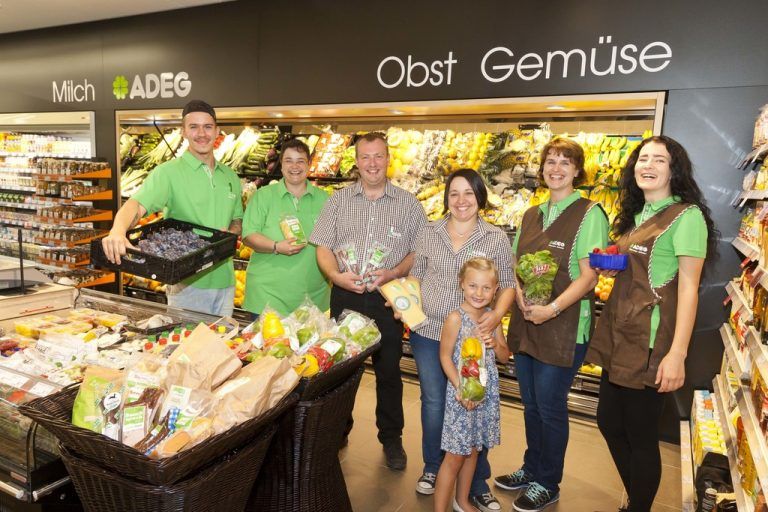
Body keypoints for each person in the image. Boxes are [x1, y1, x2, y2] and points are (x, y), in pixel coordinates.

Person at [586, 135, 717, 512]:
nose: (648, 165)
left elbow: (689, 289)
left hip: (651, 342)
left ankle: (638, 506)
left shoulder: (687, 217)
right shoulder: (639, 214)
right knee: (609, 423)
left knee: (641, 435)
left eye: (659, 160)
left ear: (674, 170)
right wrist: (611, 259)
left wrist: (677, 355)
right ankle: (637, 498)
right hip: (620, 332)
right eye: (643, 158)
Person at [493, 138, 609, 512]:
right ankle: (531, 468)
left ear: (578, 170)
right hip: (528, 322)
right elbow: (514, 263)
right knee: (530, 404)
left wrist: (553, 308)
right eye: (550, 162)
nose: (555, 169)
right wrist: (522, 298)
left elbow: (590, 277)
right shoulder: (531, 214)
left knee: (550, 406)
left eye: (565, 162)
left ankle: (548, 482)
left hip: (564, 325)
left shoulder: (590, 214)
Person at [310, 132, 427, 470]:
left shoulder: (409, 204)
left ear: (388, 159)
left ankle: (391, 438)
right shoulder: (338, 201)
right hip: (346, 295)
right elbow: (322, 246)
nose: (372, 164)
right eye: (365, 157)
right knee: (342, 370)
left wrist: (393, 272)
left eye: (378, 156)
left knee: (389, 371)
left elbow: (418, 252)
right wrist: (335, 276)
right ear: (356, 162)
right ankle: (338, 429)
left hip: (388, 298)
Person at [409, 168, 515, 512]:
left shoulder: (495, 238)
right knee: (435, 404)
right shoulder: (429, 231)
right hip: (430, 330)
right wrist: (406, 306)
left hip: (474, 334)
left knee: (476, 405)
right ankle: (433, 467)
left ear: (480, 197)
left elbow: (508, 284)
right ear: (446, 198)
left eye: (469, 193)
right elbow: (417, 274)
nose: (461, 200)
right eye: (454, 193)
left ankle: (476, 483)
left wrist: (494, 319)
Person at [101, 100, 242, 317]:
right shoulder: (168, 173)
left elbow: (237, 220)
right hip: (187, 285)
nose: (201, 133)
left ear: (216, 130)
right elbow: (136, 205)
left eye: (207, 126)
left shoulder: (230, 176)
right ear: (183, 131)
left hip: (226, 282)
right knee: (185, 348)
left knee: (222, 347)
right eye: (193, 127)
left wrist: (229, 234)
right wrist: (117, 231)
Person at [433, 258, 510, 512]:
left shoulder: (492, 318)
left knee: (474, 450)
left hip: (484, 396)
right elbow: (445, 356)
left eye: (486, 288)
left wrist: (494, 343)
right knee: (454, 457)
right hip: (461, 397)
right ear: (462, 285)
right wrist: (460, 387)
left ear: (496, 289)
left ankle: (462, 500)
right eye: (473, 286)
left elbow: (504, 356)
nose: (479, 293)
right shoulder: (455, 318)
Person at [240, 138, 330, 317]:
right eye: (288, 160)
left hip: (313, 298)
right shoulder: (263, 196)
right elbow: (249, 235)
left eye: (300, 161)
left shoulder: (325, 200)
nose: (294, 166)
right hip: (267, 297)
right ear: (281, 165)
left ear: (309, 164)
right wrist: (275, 246)